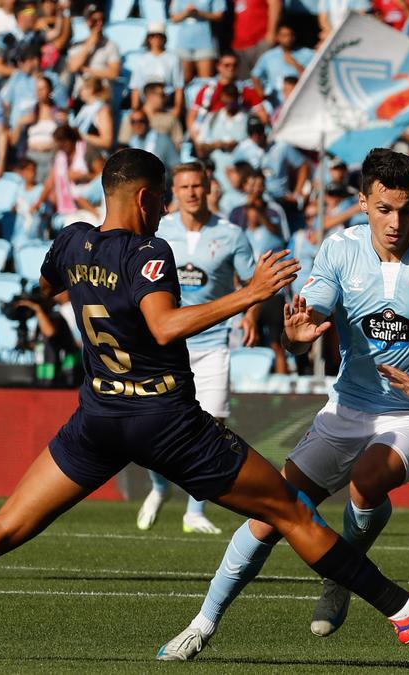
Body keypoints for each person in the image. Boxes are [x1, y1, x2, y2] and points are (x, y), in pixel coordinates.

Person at [0, 147, 409, 659]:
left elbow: (51, 287)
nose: (166, 209)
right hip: (166, 422)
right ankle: (404, 611)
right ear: (143, 198)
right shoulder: (151, 251)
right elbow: (164, 326)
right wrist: (246, 296)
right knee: (288, 507)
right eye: (162, 199)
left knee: (5, 527)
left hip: (97, 419)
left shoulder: (71, 242)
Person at [157, 148, 409, 659]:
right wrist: (296, 337)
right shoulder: (339, 250)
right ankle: (202, 623)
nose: (395, 222)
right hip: (346, 408)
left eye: (405, 210)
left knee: (369, 475)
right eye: (384, 209)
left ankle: (341, 578)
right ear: (363, 202)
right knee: (270, 513)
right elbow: (307, 319)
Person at [136, 162, 257, 535]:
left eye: (197, 186)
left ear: (208, 188)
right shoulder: (159, 230)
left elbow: (253, 281)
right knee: (155, 426)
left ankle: (194, 510)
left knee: (213, 425)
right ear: (174, 190)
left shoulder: (231, 234)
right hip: (166, 342)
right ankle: (159, 487)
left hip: (213, 341)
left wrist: (250, 315)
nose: (191, 192)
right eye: (184, 185)